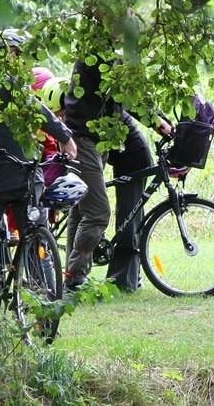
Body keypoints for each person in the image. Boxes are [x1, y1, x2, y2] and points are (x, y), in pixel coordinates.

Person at [0, 29, 78, 301]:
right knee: (36, 239)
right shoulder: (14, 88)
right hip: (23, 179)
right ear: (13, 54)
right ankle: (46, 309)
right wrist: (65, 138)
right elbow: (41, 112)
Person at [62, 53, 171, 293]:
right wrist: (156, 121)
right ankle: (74, 279)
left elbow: (132, 92)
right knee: (97, 212)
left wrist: (159, 118)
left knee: (81, 210)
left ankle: (77, 277)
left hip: (100, 135)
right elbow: (129, 95)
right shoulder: (97, 52)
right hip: (83, 137)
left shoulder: (114, 52)